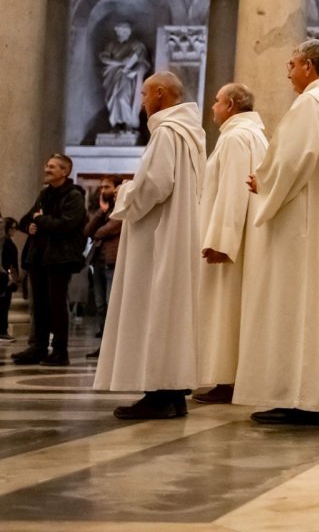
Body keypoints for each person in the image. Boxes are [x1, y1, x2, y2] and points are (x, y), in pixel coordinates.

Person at [234, 39, 319, 425]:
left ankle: (299, 397)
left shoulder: (310, 104)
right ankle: (313, 395)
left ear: (307, 66)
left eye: (291, 65)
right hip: (318, 218)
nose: (287, 73)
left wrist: (264, 184)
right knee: (313, 307)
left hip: (299, 224)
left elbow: (293, 158)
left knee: (294, 306)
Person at [94, 72, 204, 419]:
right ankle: (172, 392)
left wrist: (124, 193)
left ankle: (158, 393)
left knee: (155, 309)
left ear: (160, 94)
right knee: (170, 312)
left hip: (159, 239)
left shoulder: (167, 133)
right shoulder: (190, 135)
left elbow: (155, 185)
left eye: (144, 93)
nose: (141, 100)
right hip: (176, 235)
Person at [194, 83, 268, 405]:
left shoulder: (237, 137)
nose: (212, 107)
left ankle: (227, 379)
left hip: (231, 241)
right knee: (232, 309)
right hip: (241, 237)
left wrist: (222, 240)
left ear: (232, 104)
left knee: (226, 309)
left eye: (216, 101)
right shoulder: (251, 135)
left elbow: (234, 191)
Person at [12, 155, 86, 366]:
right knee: (40, 305)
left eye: (52, 167)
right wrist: (30, 226)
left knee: (56, 305)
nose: (47, 169)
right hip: (39, 257)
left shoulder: (74, 196)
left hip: (60, 257)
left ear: (65, 171)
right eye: (47, 165)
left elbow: (66, 225)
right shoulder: (44, 194)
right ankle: (39, 348)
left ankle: (60, 351)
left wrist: (40, 220)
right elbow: (25, 220)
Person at [83, 177, 123, 358]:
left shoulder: (122, 208)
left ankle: (116, 346)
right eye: (100, 188)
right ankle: (104, 346)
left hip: (113, 262)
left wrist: (99, 230)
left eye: (107, 187)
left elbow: (106, 230)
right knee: (100, 306)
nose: (103, 191)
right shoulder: (105, 211)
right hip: (98, 262)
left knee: (112, 304)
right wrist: (101, 211)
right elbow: (87, 230)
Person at [98, 21, 151, 132]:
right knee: (114, 98)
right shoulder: (111, 45)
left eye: (124, 31)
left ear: (128, 32)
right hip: (113, 76)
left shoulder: (136, 45)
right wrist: (120, 62)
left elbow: (143, 63)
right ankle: (116, 125)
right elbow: (104, 58)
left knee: (123, 98)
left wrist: (133, 69)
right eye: (120, 31)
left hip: (128, 77)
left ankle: (129, 124)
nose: (122, 33)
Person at [1, 219, 20, 341]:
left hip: (6, 277)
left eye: (15, 228)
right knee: (3, 305)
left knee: (4, 304)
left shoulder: (6, 242)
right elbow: (6, 262)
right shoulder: (6, 242)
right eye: (12, 228)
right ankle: (2, 330)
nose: (14, 230)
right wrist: (10, 275)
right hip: (5, 278)